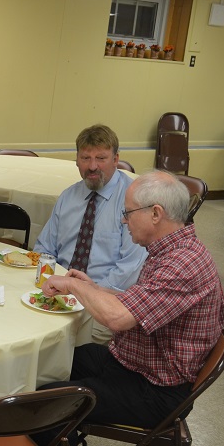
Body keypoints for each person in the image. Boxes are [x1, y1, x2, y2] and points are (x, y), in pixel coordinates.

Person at [10, 170, 224, 446]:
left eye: (128, 213)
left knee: (49, 400)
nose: (124, 221)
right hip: (136, 363)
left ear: (155, 214)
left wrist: (75, 286)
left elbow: (117, 318)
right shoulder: (172, 249)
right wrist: (94, 288)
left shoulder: (182, 263)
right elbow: (138, 302)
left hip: (156, 390)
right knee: (53, 361)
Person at [34, 124, 146, 342]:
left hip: (104, 303)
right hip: (59, 293)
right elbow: (44, 249)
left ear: (116, 159)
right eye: (85, 158)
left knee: (60, 343)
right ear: (76, 160)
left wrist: (88, 295)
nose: (93, 166)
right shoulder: (68, 197)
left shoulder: (133, 201)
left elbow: (130, 269)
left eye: (101, 158)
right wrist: (48, 286)